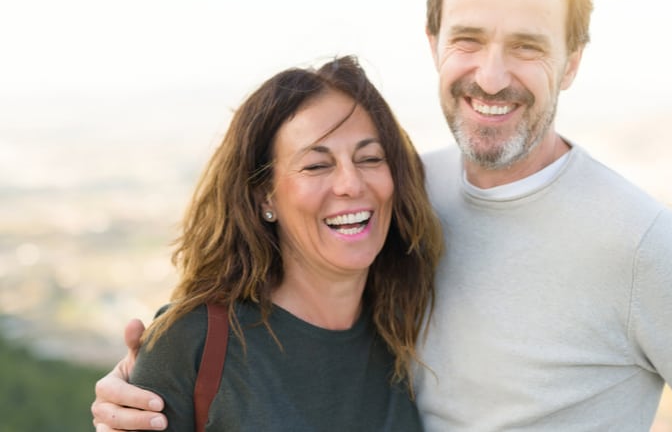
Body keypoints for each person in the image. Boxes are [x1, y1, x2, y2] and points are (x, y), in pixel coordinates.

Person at [93, 0, 672, 430]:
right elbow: (264, 305)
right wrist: (140, 384)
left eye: (526, 46)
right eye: (468, 38)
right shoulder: (398, 198)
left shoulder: (641, 243)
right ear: (434, 44)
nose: (491, 75)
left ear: (573, 61)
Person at [97, 55, 442, 431]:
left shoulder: (409, 330)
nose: (352, 184)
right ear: (266, 197)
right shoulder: (192, 343)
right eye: (316, 165)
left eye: (370, 158)